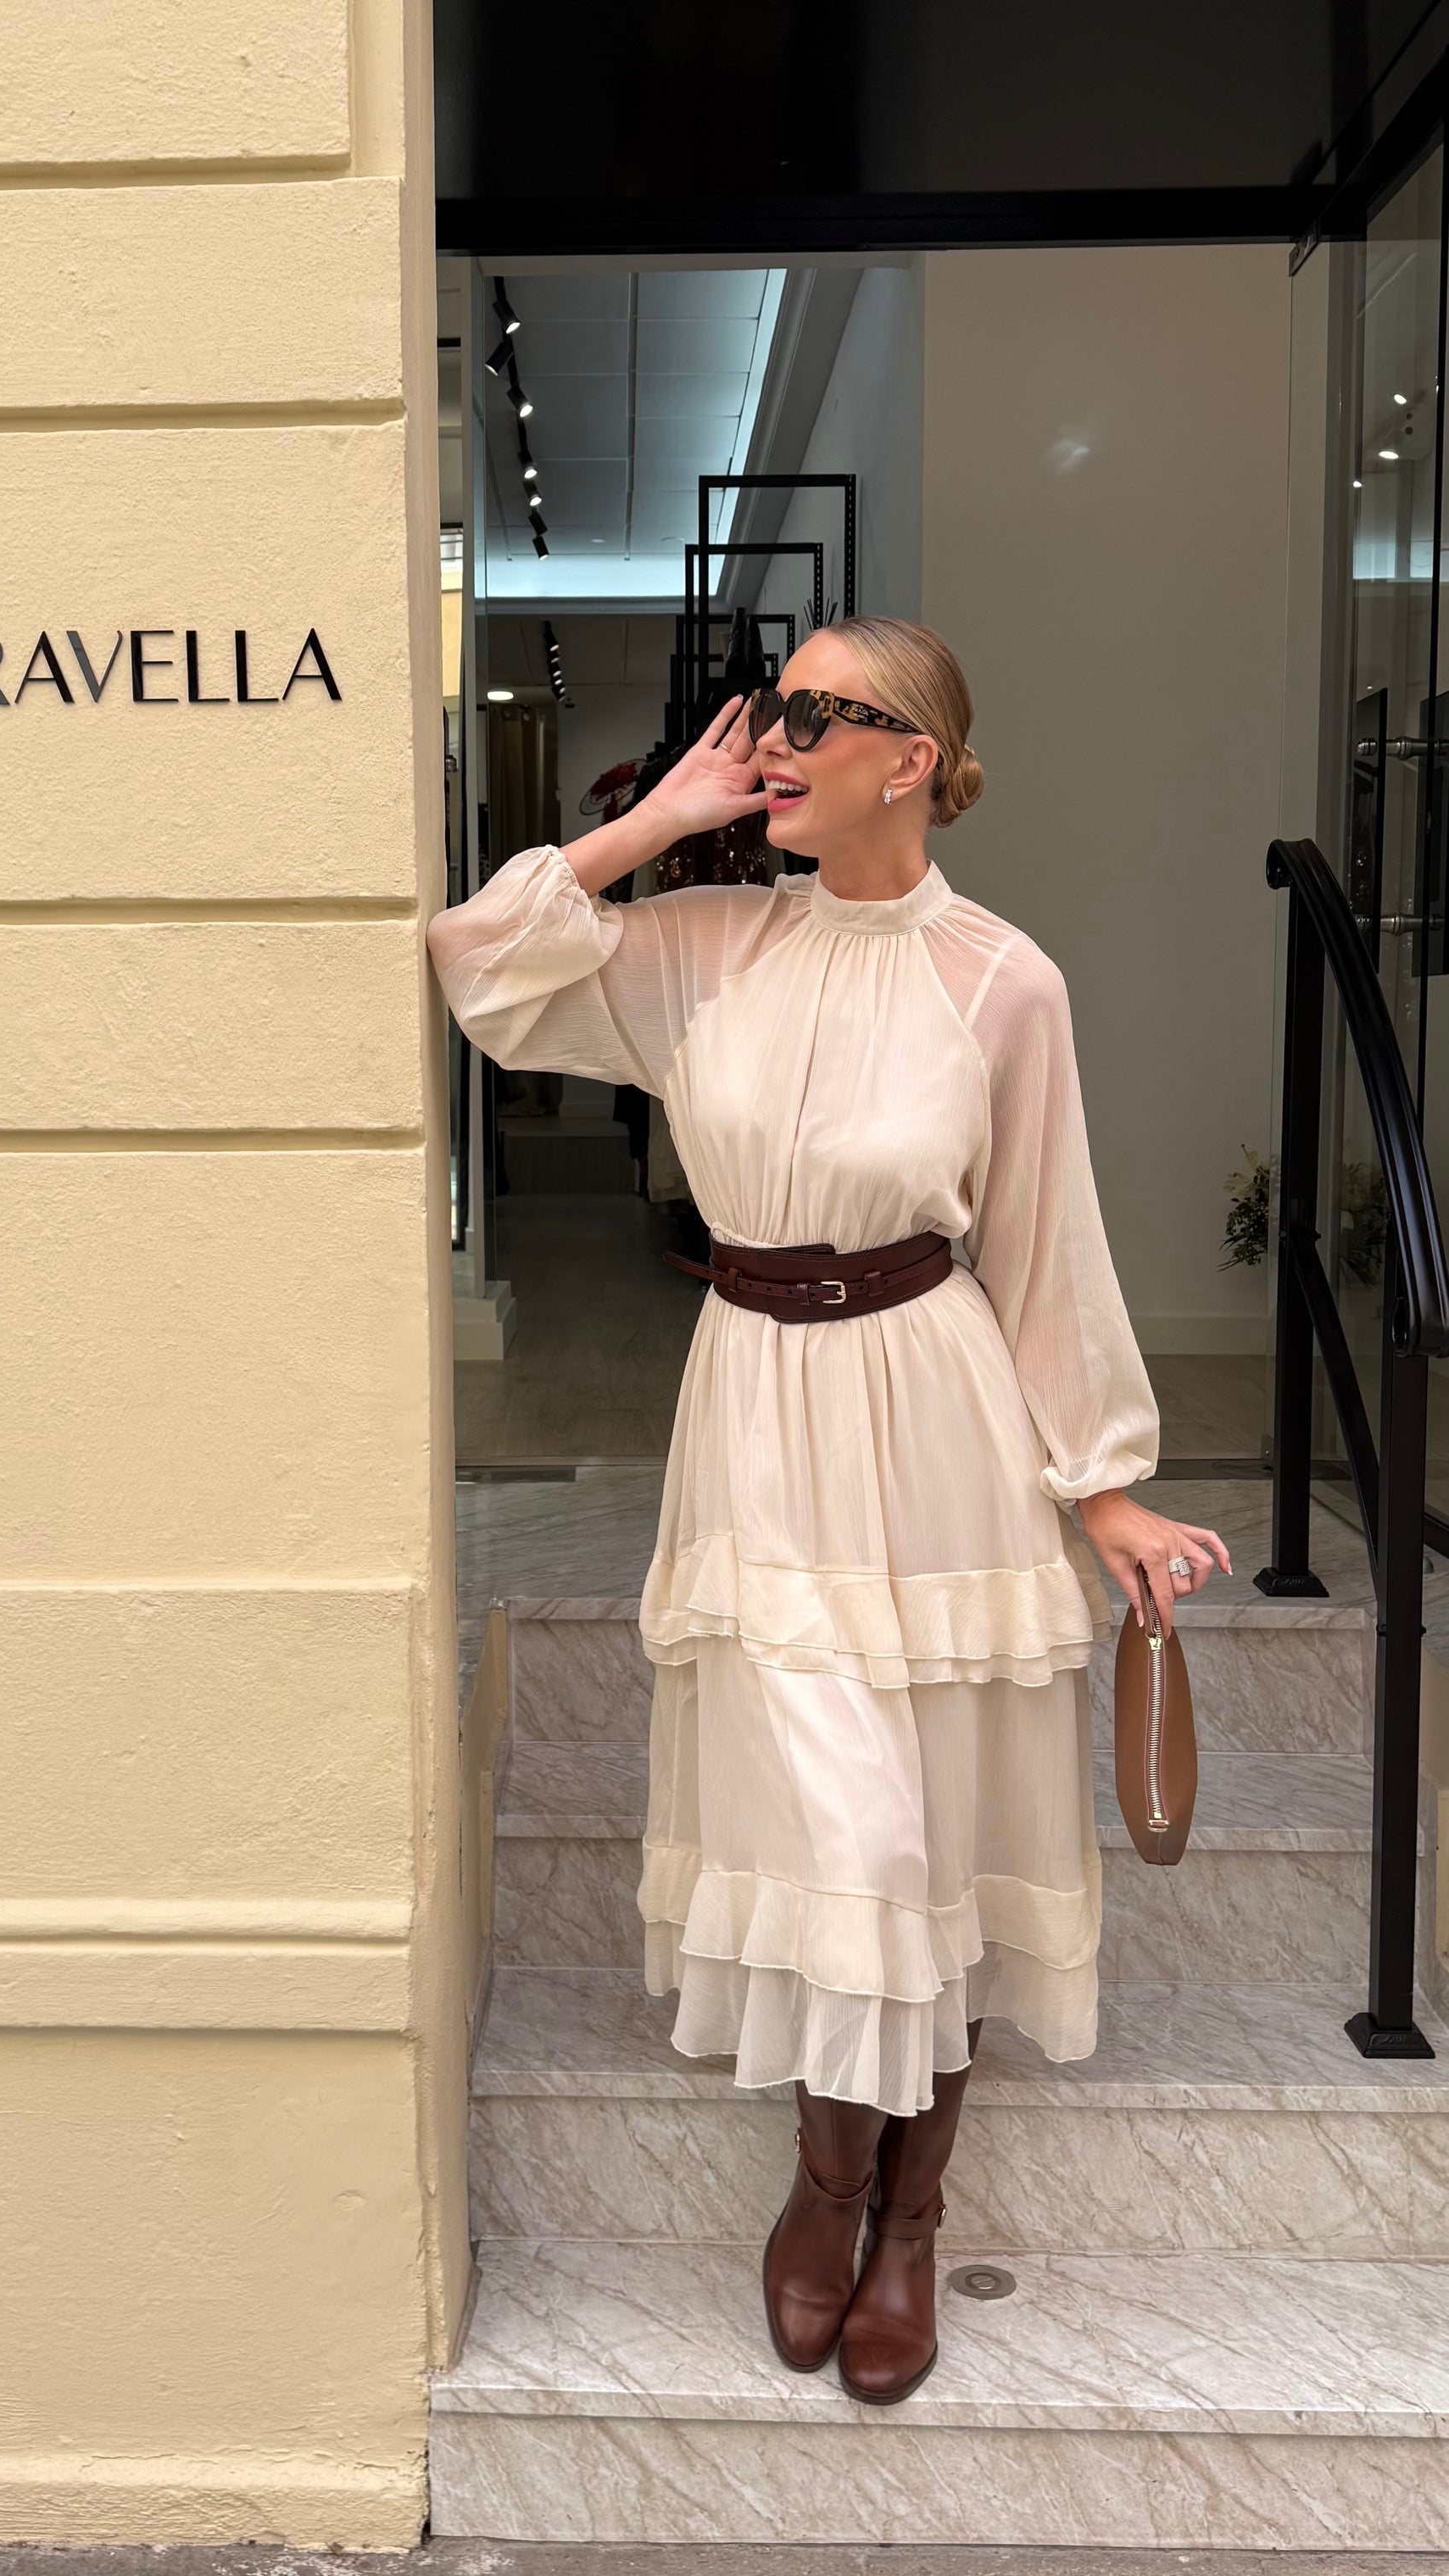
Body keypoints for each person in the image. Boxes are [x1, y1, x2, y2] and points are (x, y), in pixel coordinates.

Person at [427, 617, 1230, 2405]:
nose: (773, 736)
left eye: (813, 712)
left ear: (914, 758)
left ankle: (908, 2214)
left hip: (934, 1412)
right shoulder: (704, 946)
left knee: (929, 1833)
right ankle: (829, 2180)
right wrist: (659, 819)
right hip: (754, 1408)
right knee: (845, 1826)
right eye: (768, 708)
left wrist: (1100, 1486)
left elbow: (1042, 1241)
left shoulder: (1002, 981)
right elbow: (479, 961)